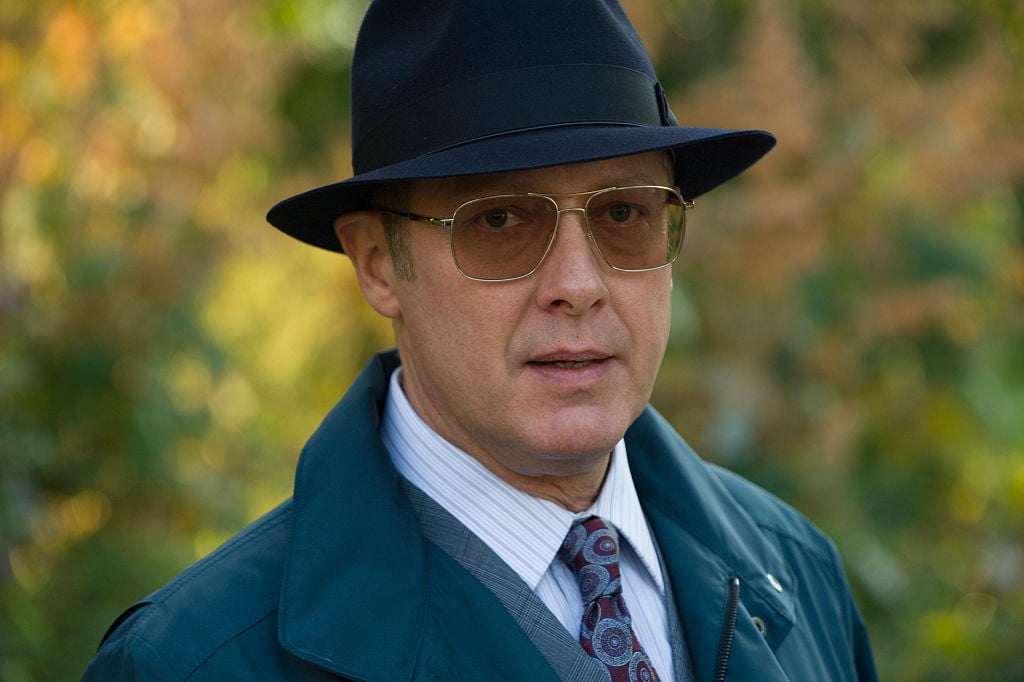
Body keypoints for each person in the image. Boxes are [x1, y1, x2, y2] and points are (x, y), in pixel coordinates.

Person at [84, 1, 878, 680]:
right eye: (499, 221)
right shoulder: (195, 661)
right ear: (376, 265)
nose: (579, 281)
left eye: (624, 214)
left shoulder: (798, 575)